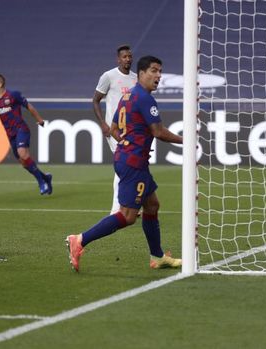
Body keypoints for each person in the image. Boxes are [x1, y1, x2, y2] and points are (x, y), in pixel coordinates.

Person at [66, 56, 183, 272]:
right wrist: (187, 140)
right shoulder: (145, 98)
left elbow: (113, 128)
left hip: (130, 158)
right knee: (128, 216)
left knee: (152, 205)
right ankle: (80, 240)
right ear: (141, 74)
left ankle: (157, 257)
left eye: (160, 71)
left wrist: (127, 142)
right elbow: (158, 132)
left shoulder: (128, 96)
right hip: (133, 163)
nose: (158, 76)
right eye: (154, 71)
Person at [0, 73, 53, 195]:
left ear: (0, 84)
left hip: (21, 129)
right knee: (24, 163)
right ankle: (45, 177)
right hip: (10, 134)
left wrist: (39, 119)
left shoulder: (13, 95)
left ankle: (41, 182)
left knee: (23, 153)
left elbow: (28, 106)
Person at [93, 45, 138, 214]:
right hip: (114, 129)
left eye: (130, 56)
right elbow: (95, 100)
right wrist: (103, 124)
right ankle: (116, 208)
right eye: (124, 57)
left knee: (131, 165)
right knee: (123, 163)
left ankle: (128, 205)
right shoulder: (108, 76)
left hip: (131, 129)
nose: (128, 59)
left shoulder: (135, 79)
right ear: (118, 59)